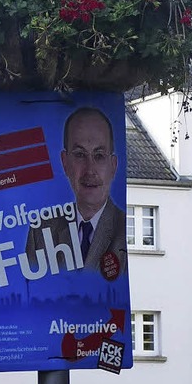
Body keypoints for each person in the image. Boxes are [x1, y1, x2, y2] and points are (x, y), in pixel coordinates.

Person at [25, 106, 127, 278]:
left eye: (99, 155)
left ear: (113, 165)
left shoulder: (124, 230)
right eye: (80, 155)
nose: (90, 170)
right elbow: (28, 295)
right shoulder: (42, 230)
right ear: (65, 162)